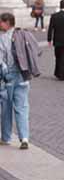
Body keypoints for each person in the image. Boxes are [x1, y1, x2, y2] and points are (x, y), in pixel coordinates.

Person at [0, 13, 40, 149]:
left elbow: (1, 60)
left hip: (9, 76)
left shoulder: (3, 38)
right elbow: (36, 50)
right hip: (23, 75)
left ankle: (6, 137)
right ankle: (24, 137)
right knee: (22, 107)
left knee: (6, 107)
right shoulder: (24, 34)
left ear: (6, 23)